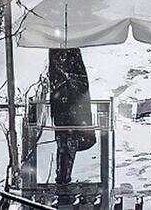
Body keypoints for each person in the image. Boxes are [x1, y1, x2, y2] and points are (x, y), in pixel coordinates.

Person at [48, 46, 94, 201]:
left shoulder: (63, 57)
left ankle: (63, 180)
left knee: (66, 144)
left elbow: (73, 82)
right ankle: (63, 180)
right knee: (66, 144)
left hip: (68, 111)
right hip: (68, 111)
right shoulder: (66, 58)